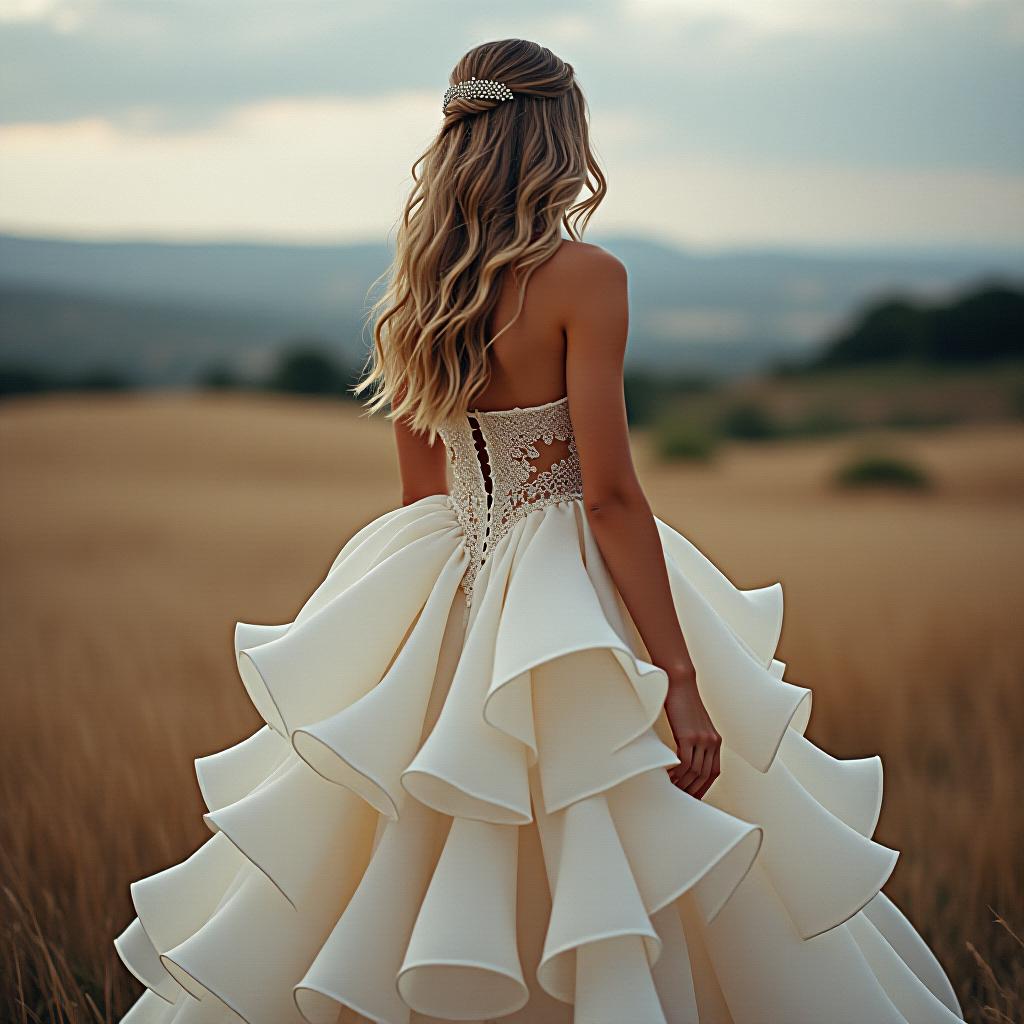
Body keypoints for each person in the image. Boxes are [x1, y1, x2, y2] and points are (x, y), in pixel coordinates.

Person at [114, 38, 965, 1024]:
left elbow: (418, 491)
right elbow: (606, 495)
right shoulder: (586, 278)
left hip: (443, 580)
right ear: (560, 137)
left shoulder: (419, 284)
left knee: (409, 862)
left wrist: (434, 644)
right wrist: (680, 682)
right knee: (622, 855)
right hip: (569, 595)